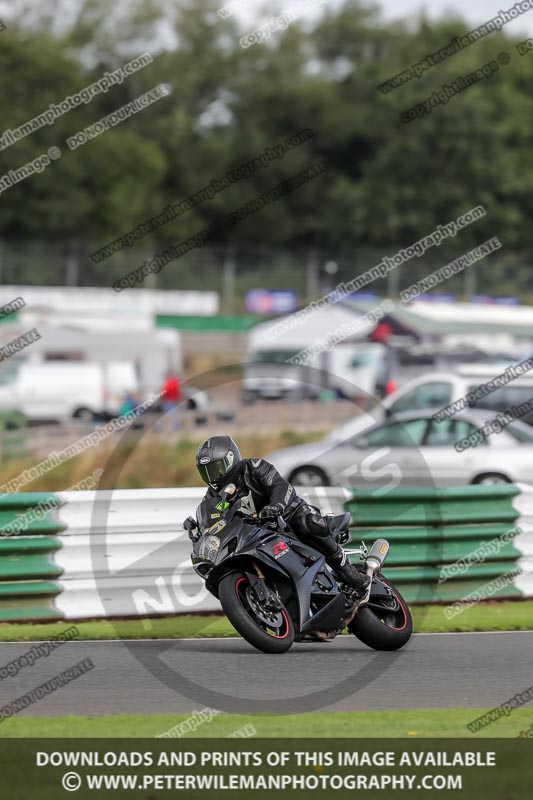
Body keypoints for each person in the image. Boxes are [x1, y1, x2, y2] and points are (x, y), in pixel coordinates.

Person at [183, 435, 370, 594]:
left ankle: (347, 570)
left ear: (232, 459)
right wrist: (201, 532)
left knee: (309, 523)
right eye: (207, 471)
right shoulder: (212, 498)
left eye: (217, 468)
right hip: (255, 534)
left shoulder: (254, 467)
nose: (214, 476)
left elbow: (281, 486)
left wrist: (276, 506)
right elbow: (215, 521)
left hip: (287, 515)